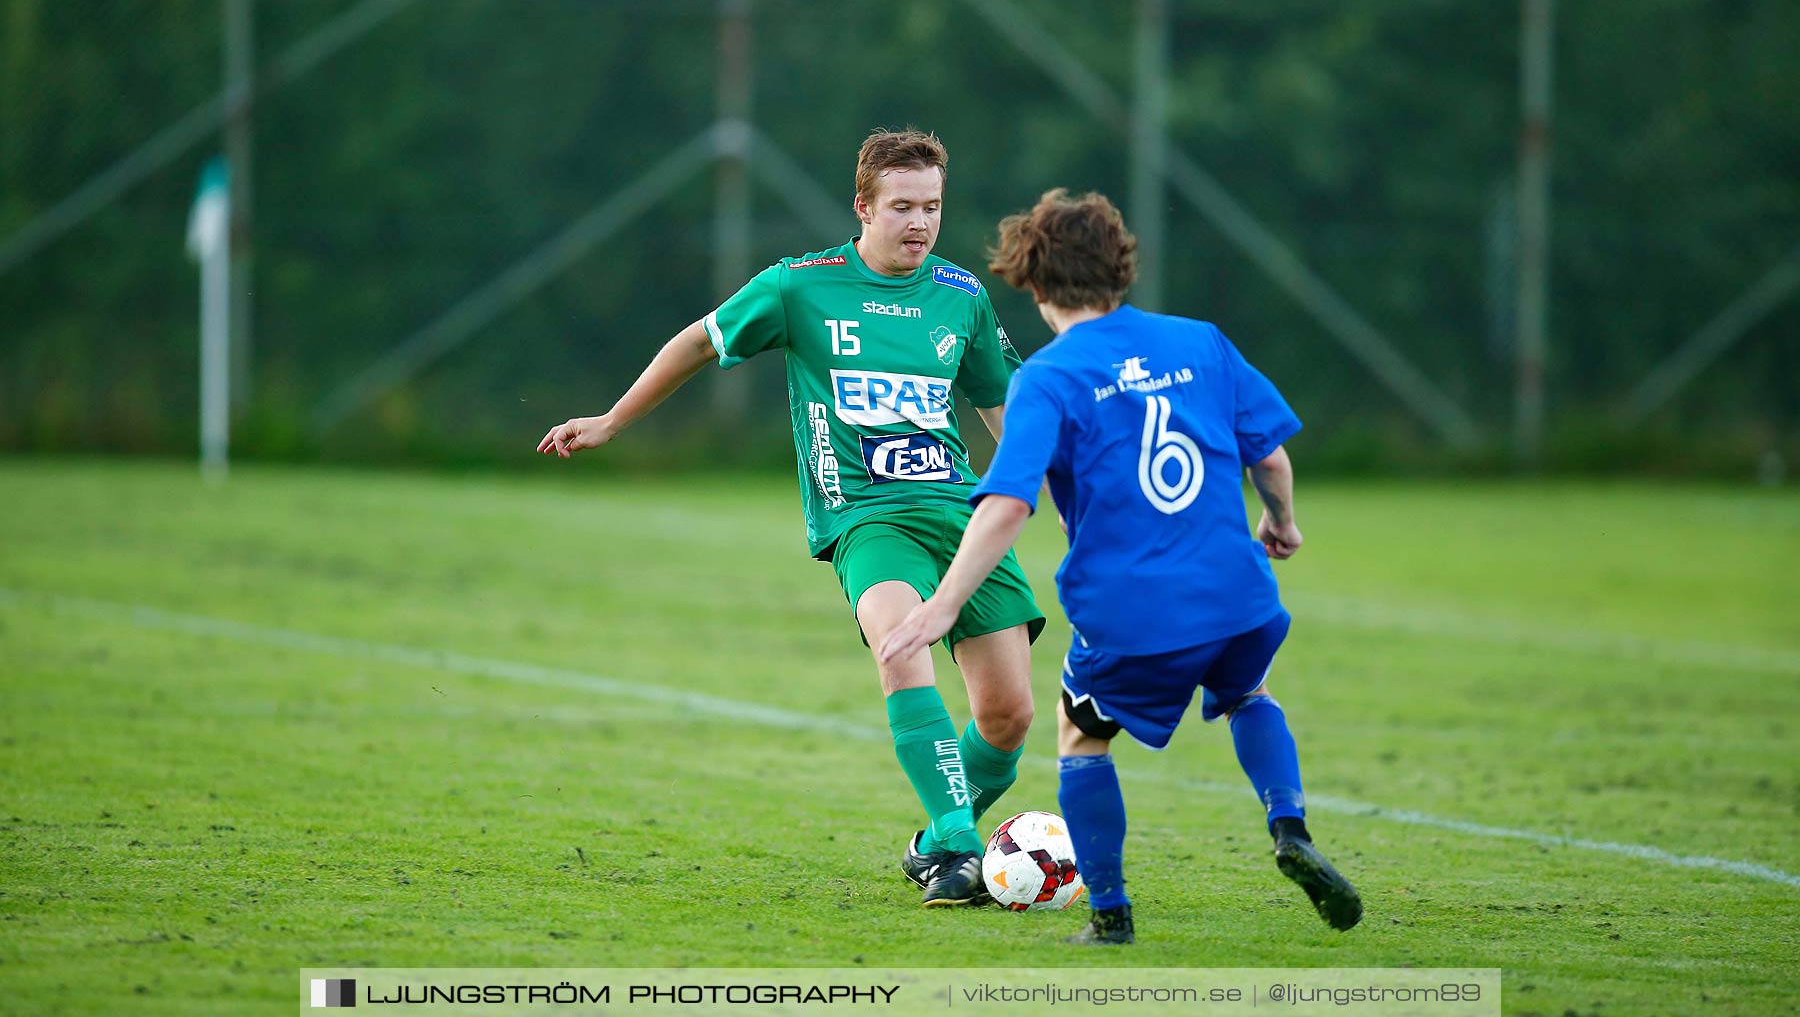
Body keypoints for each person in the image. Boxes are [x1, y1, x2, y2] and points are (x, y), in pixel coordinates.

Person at [539, 129, 1046, 906]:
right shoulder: (800, 286)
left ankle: (939, 836)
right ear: (863, 207)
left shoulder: (961, 296)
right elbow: (699, 342)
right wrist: (613, 418)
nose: (920, 222)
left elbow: (1004, 414)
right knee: (900, 647)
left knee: (1008, 717)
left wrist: (1062, 500)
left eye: (933, 207)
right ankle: (960, 849)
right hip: (866, 518)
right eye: (903, 206)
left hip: (960, 514)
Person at [879, 188, 1362, 941]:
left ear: (1033, 283)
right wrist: (1281, 521)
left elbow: (1007, 503)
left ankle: (1109, 915)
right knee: (1249, 695)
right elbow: (1268, 453)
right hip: (1240, 593)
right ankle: (1290, 826)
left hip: (1132, 608)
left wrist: (941, 606)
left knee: (1082, 736)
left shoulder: (1046, 376)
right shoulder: (1199, 341)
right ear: (1121, 268)